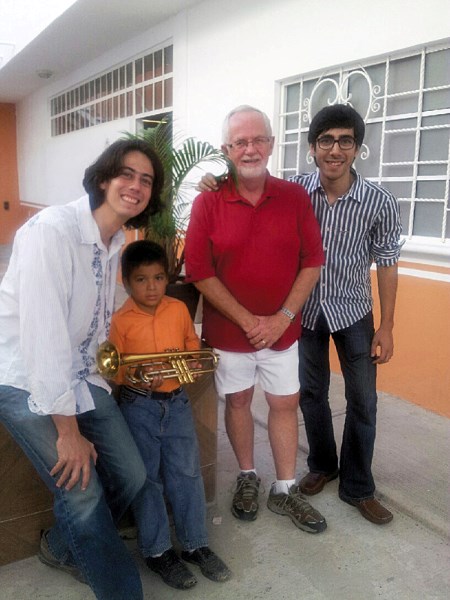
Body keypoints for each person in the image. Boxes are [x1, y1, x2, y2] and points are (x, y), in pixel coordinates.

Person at [0, 138, 165, 600]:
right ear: (103, 178)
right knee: (83, 491)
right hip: (21, 376)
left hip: (78, 373)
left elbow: (89, 329)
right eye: (126, 174)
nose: (135, 186)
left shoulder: (114, 241)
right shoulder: (51, 231)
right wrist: (67, 431)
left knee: (131, 475)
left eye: (146, 180)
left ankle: (61, 544)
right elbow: (43, 337)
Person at [185, 105, 327, 534]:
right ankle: (248, 475)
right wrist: (249, 320)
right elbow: (198, 270)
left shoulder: (294, 197)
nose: (250, 149)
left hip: (281, 334)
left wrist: (282, 318)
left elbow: (312, 261)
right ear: (227, 149)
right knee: (240, 402)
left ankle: (285, 488)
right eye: (240, 142)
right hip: (230, 334)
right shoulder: (208, 201)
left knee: (284, 404)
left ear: (270, 143)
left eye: (258, 140)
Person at [289, 104, 403, 525]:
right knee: (311, 394)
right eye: (325, 141)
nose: (334, 150)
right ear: (313, 148)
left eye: (345, 141)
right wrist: (218, 181)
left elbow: (388, 262)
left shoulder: (379, 201)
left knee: (363, 400)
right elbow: (250, 194)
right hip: (304, 312)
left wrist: (387, 326)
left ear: (357, 149)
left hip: (354, 311)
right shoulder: (294, 192)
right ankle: (323, 464)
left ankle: (357, 486)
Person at [108, 239, 231, 590]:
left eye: (159, 278)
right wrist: (136, 374)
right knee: (148, 480)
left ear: (167, 278)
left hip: (176, 403)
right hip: (138, 406)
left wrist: (190, 359)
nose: (151, 287)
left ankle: (196, 545)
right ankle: (158, 551)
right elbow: (114, 369)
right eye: (142, 280)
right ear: (127, 282)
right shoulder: (121, 321)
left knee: (187, 474)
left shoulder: (178, 309)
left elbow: (192, 344)